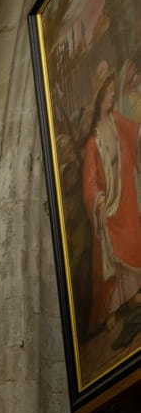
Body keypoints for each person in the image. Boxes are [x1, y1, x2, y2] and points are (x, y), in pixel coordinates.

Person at [82, 68, 141, 341]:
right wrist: (100, 200)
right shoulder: (92, 142)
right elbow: (90, 181)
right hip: (110, 200)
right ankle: (113, 308)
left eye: (111, 92)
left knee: (132, 239)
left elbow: (136, 133)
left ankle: (132, 296)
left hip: (125, 187)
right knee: (110, 253)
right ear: (98, 99)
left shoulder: (117, 120)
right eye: (106, 93)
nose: (110, 96)